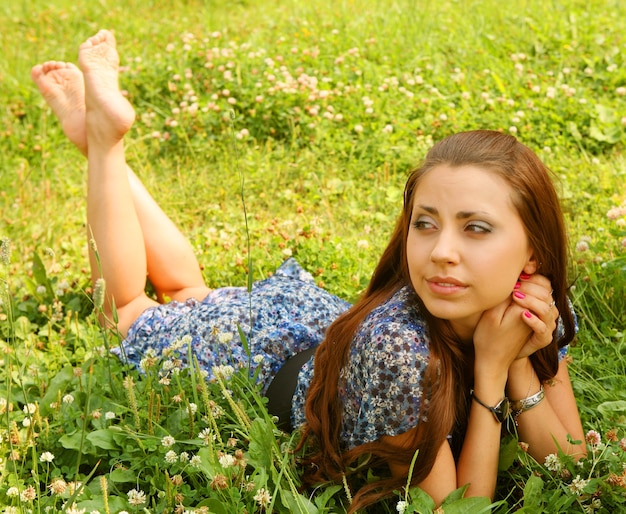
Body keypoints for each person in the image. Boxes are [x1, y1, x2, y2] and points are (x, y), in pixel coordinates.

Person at [32, 30, 585, 512]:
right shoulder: (399, 349)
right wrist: (491, 370)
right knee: (127, 311)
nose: (441, 251)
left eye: (476, 228)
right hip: (263, 360)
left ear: (532, 253)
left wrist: (520, 362)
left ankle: (106, 149)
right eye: (425, 224)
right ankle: (104, 145)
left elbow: (571, 461)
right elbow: (456, 508)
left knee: (188, 288)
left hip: (322, 329)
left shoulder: (534, 304)